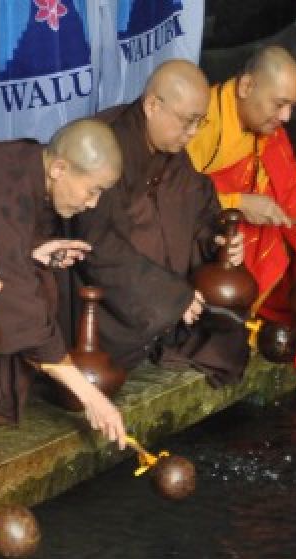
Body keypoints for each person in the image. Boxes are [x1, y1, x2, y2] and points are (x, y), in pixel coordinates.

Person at [0, 119, 127, 445]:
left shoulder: (28, 162)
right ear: (58, 168)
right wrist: (91, 397)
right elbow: (20, 305)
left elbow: (3, 239)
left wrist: (31, 252)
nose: (93, 203)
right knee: (14, 298)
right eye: (92, 190)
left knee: (37, 278)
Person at [72, 59, 249, 386]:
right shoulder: (106, 145)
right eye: (187, 121)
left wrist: (216, 240)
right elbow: (97, 244)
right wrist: (168, 297)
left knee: (228, 332)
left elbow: (198, 208)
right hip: (111, 297)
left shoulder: (173, 152)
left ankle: (168, 328)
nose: (193, 133)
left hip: (166, 291)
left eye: (200, 122)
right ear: (153, 105)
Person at [186, 45, 296, 381]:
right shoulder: (197, 124)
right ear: (246, 86)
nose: (288, 117)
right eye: (280, 105)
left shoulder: (271, 133)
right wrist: (237, 203)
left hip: (261, 259)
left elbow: (293, 208)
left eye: (293, 106)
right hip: (207, 254)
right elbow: (167, 202)